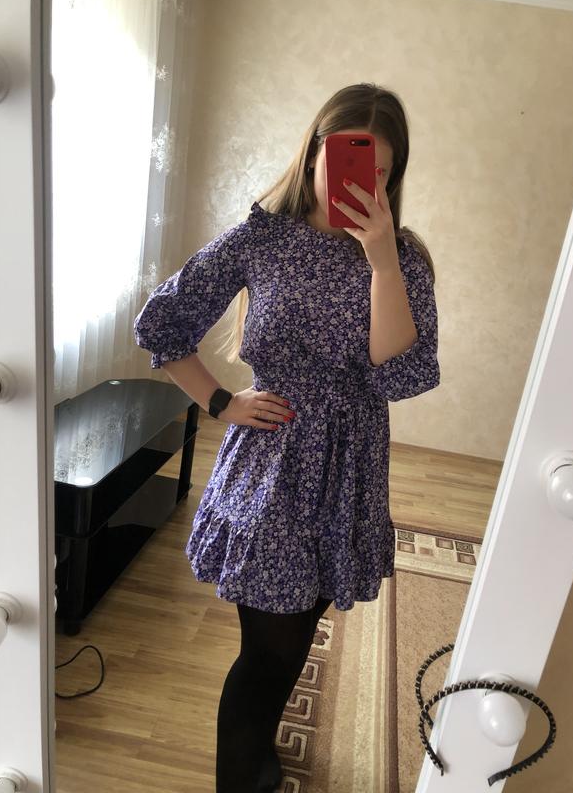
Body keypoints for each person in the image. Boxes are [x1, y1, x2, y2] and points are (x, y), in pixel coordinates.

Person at [133, 82, 440, 792]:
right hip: (272, 467)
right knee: (267, 651)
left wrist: (382, 259)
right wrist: (219, 401)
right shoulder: (260, 239)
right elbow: (161, 321)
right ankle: (243, 776)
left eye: (380, 172)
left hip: (351, 471)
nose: (360, 183)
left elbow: (400, 372)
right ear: (313, 157)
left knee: (295, 635)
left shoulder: (403, 260)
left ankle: (262, 748)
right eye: (347, 163)